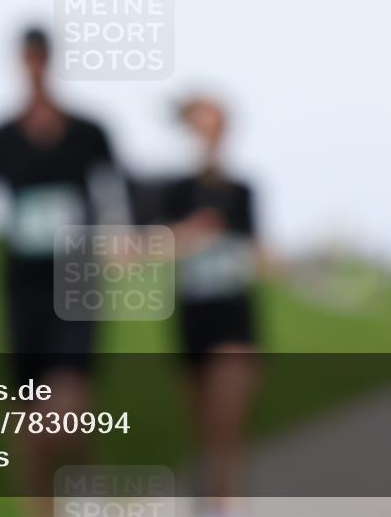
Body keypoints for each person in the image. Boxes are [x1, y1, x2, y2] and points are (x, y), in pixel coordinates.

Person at [0, 26, 128, 513]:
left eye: (40, 58)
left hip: (75, 278)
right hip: (20, 284)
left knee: (66, 411)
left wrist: (123, 238)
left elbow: (118, 192)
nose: (34, 66)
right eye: (27, 59)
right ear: (19, 63)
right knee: (26, 417)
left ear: (51, 60)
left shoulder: (89, 131)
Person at [160, 94, 266, 517]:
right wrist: (186, 236)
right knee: (203, 426)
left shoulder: (243, 191)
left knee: (228, 419)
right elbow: (149, 247)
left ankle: (230, 501)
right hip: (192, 318)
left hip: (235, 318)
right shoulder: (176, 191)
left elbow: (256, 250)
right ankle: (210, 498)